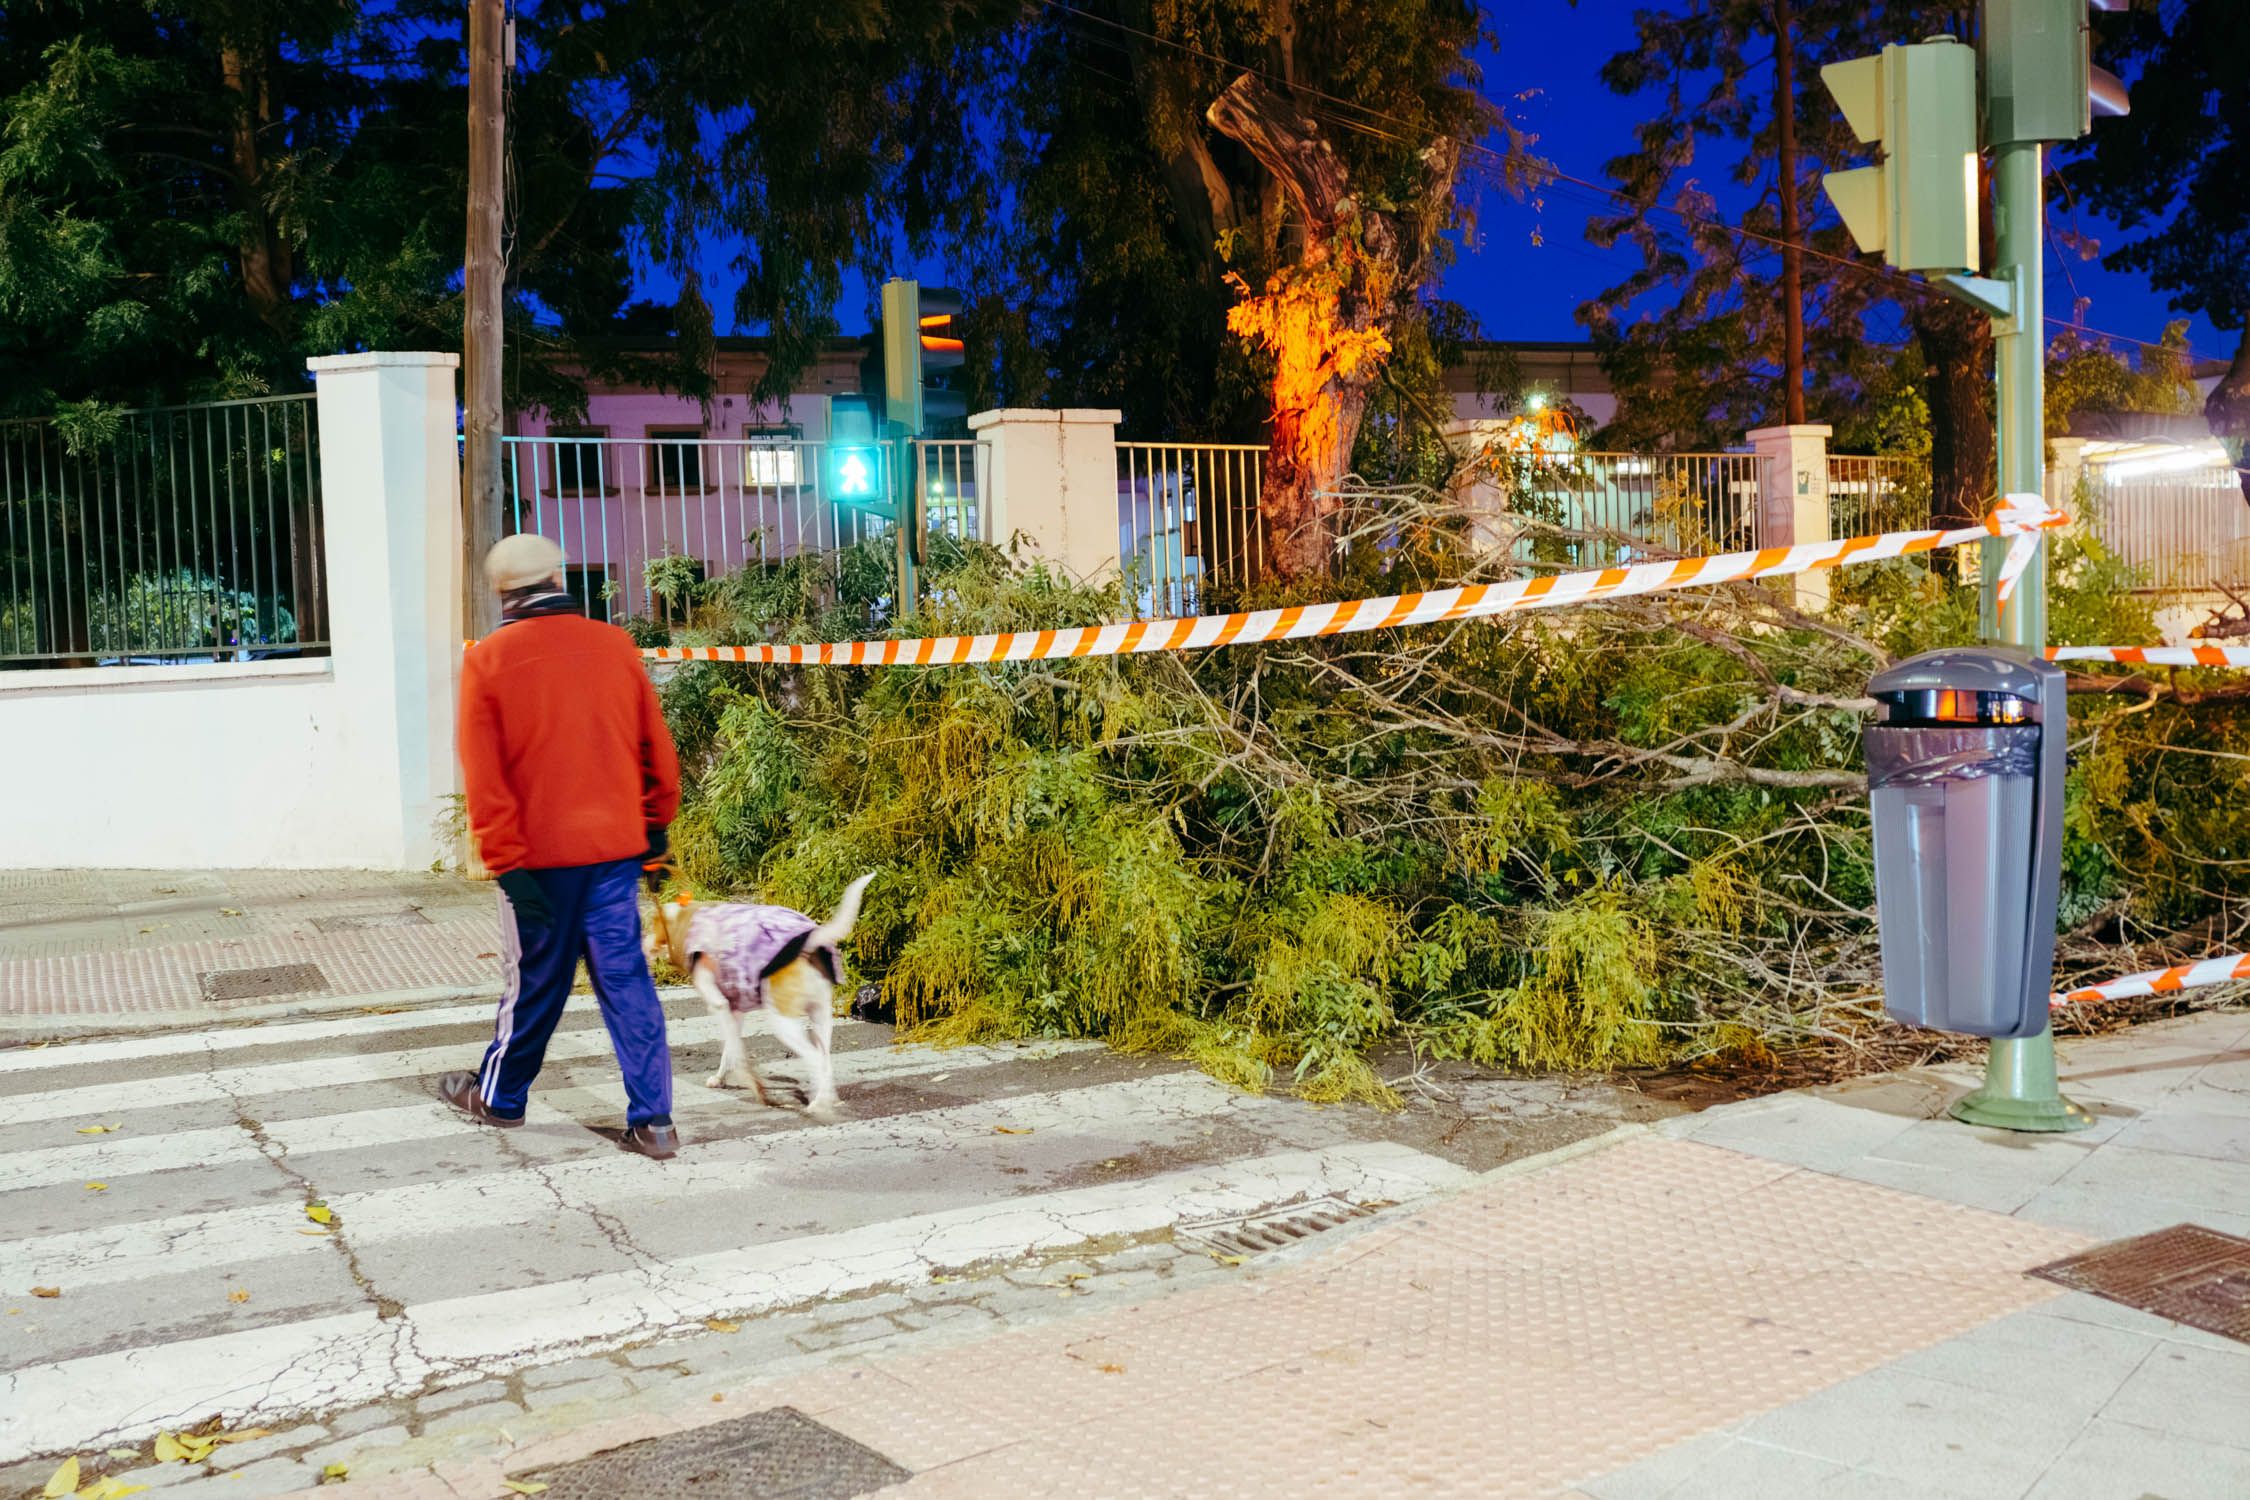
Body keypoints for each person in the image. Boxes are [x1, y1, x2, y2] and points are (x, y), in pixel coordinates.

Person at [436, 533, 684, 1160]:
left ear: (502, 593)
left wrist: (505, 863)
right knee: (626, 983)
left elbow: (484, 776)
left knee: (535, 987)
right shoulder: (615, 645)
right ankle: (654, 1122)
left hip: (538, 863)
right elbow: (656, 748)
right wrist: (655, 832)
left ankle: (501, 1098)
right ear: (559, 577)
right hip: (614, 851)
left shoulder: (488, 660)